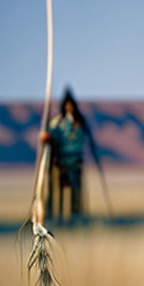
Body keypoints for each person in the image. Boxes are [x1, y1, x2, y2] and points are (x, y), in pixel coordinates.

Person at [43, 88, 99, 221]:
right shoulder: (57, 122)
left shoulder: (80, 122)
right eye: (67, 106)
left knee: (76, 191)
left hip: (75, 162)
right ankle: (55, 216)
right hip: (59, 163)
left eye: (71, 105)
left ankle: (76, 216)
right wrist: (46, 138)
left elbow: (85, 138)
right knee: (56, 192)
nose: (69, 108)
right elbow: (51, 137)